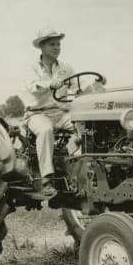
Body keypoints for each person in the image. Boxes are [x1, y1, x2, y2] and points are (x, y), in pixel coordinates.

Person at [21, 27, 106, 198]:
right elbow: (33, 86)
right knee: (45, 130)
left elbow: (76, 89)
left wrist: (96, 84)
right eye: (52, 44)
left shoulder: (67, 68)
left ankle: (85, 172)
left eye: (58, 44)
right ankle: (46, 179)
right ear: (42, 47)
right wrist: (49, 84)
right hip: (37, 114)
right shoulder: (32, 68)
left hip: (60, 113)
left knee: (85, 127)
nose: (56, 48)